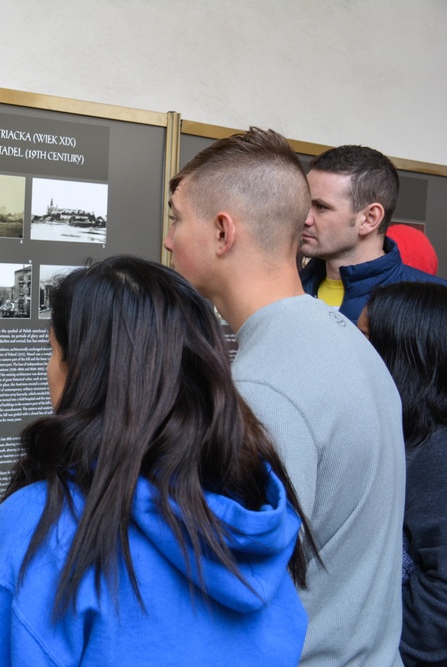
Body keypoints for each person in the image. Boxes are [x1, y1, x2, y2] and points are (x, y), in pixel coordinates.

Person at [0, 256, 316, 666]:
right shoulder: (255, 515)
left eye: (53, 351)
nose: (49, 370)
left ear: (84, 371)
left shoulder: (41, 528)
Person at [164, 127, 406, 666]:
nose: (169, 238)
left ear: (223, 232)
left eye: (177, 217)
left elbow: (239, 587)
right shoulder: (342, 339)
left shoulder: (265, 386)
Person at [360, 282, 447, 667]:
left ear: (400, 354)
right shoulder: (405, 432)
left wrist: (392, 653)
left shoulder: (438, 454)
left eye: (364, 338)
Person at [300, 144, 447, 324]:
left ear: (370, 218)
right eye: (305, 204)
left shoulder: (433, 307)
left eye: (321, 207)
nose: (305, 218)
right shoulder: (289, 289)